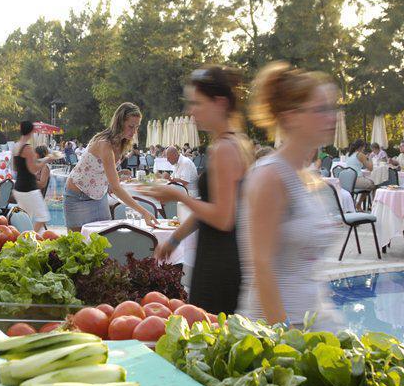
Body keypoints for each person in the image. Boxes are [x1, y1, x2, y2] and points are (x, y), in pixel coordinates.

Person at [139, 66, 251, 314]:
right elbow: (212, 205)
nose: (191, 111)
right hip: (223, 256)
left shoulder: (224, 149)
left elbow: (223, 218)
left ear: (219, 103)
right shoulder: (236, 142)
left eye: (197, 103)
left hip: (218, 261)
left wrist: (178, 195)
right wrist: (176, 237)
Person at [238, 62, 341, 331]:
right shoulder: (270, 178)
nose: (332, 117)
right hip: (280, 332)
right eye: (321, 109)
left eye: (332, 108)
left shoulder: (306, 177)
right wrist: (284, 339)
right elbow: (261, 267)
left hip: (310, 324)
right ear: (291, 116)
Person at [65, 103, 159, 231]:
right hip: (78, 196)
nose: (134, 131)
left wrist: (116, 174)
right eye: (131, 126)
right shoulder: (104, 144)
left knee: (105, 242)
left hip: (98, 196)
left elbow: (99, 169)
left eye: (137, 127)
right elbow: (116, 188)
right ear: (120, 123)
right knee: (76, 246)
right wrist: (144, 212)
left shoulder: (121, 144)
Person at [12, 121, 56, 232]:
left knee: (25, 218)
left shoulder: (16, 146)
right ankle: (32, 238)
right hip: (29, 188)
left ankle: (25, 239)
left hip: (19, 188)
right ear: (31, 131)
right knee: (43, 217)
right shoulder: (27, 148)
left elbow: (15, 167)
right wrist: (46, 159)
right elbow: (34, 169)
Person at [344, 139, 375, 208]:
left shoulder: (348, 154)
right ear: (361, 147)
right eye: (364, 147)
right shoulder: (360, 154)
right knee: (374, 185)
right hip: (356, 180)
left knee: (367, 185)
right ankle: (371, 205)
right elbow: (370, 168)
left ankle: (358, 204)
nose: (364, 149)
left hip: (347, 180)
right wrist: (370, 158)